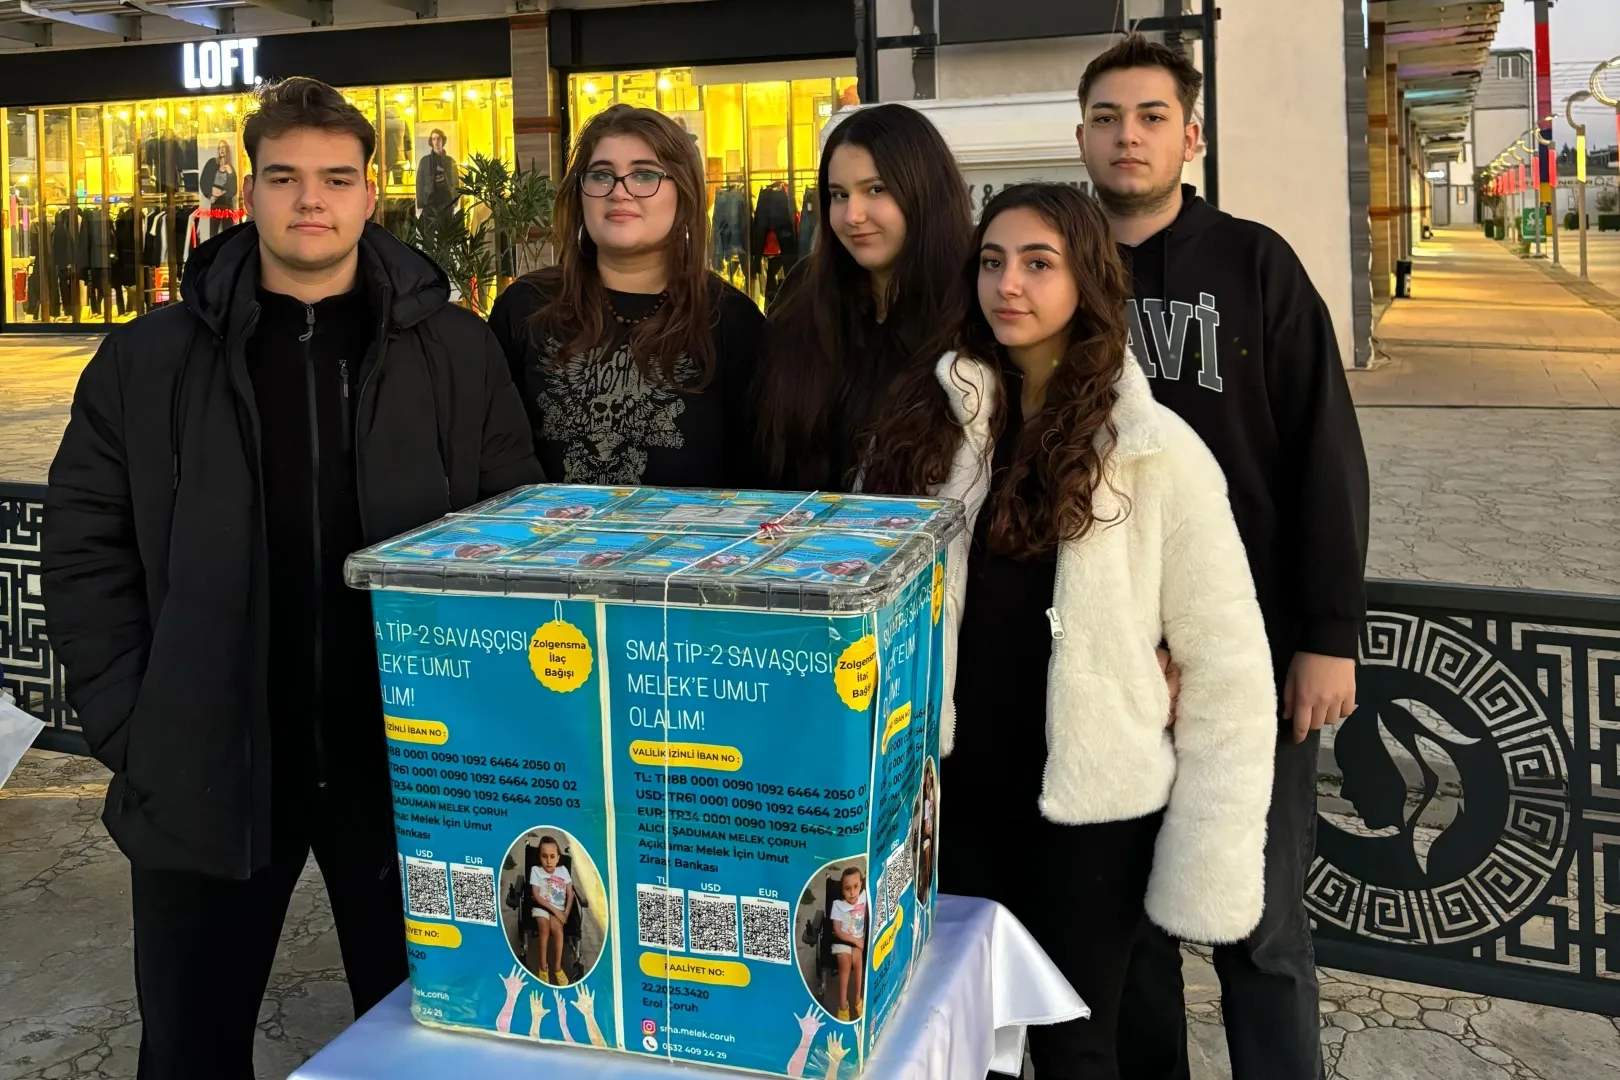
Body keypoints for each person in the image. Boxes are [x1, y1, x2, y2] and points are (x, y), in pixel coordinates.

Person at [41, 76, 542, 1079]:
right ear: (248, 192)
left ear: (370, 194)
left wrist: (490, 730)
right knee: (189, 1050)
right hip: (208, 759)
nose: (311, 199)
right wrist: (135, 725)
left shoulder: (454, 350)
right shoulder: (149, 359)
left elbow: (512, 538)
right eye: (284, 177)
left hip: (409, 768)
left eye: (335, 178)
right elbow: (84, 546)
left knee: (437, 1051)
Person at [924, 183, 1278, 1079]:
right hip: (961, 788)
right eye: (993, 262)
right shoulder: (940, 433)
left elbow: (1227, 663)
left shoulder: (1154, 450)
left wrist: (1211, 851)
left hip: (1090, 807)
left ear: (1086, 279)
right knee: (968, 1039)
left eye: (1038, 263)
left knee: (1078, 1047)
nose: (1009, 284)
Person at [1073, 36, 1370, 1080]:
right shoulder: (1055, 268)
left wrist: (1328, 635)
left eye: (1152, 116)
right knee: (1130, 937)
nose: (1129, 136)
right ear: (1081, 136)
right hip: (1104, 657)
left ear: (1191, 136)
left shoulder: (1256, 265)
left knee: (1262, 929)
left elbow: (1325, 454)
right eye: (1107, 117)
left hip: (1247, 653)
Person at [489, 104, 763, 488]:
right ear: (579, 195)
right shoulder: (525, 307)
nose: (619, 192)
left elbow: (758, 479)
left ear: (684, 194)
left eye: (644, 175)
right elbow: (493, 463)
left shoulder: (731, 320)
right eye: (601, 175)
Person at [754, 102, 974, 494]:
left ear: (925, 191)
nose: (852, 215)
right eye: (839, 195)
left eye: (876, 190)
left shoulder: (973, 305)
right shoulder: (804, 293)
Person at [529, 836, 575, 987]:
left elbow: (570, 894)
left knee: (558, 931)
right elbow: (536, 895)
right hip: (541, 907)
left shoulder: (563, 871)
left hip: (559, 910)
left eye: (552, 856)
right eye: (544, 856)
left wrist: (565, 913)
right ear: (539, 857)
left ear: (558, 858)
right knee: (544, 929)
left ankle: (557, 968)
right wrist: (556, 911)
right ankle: (543, 967)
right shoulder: (536, 870)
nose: (548, 861)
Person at [829, 866, 867, 1022]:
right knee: (845, 962)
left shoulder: (864, 897)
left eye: (856, 886)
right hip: (842, 940)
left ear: (861, 885)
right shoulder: (838, 905)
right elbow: (837, 931)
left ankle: (857, 999)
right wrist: (855, 941)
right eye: (847, 888)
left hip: (858, 941)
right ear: (842, 890)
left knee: (858, 962)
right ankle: (843, 1005)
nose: (852, 892)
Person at [200, 140, 238, 238]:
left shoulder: (230, 168)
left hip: (226, 203)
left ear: (227, 150)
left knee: (228, 232)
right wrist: (209, 195)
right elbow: (203, 181)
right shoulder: (212, 163)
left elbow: (233, 190)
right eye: (219, 148)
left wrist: (230, 174)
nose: (221, 150)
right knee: (213, 234)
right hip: (215, 202)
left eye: (223, 147)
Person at [415, 127, 458, 214]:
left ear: (443, 140)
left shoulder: (450, 161)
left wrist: (455, 201)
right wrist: (421, 203)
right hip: (429, 202)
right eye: (434, 139)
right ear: (431, 141)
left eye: (438, 138)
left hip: (446, 201)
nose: (436, 141)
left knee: (447, 222)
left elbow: (455, 182)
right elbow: (419, 183)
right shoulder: (424, 161)